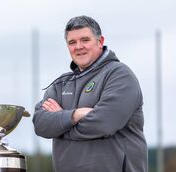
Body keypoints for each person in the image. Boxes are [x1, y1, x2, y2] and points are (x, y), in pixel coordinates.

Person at [32, 15, 147, 172]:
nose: (78, 46)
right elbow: (40, 124)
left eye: (85, 40)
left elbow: (103, 124)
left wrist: (60, 124)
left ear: (100, 41)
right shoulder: (61, 83)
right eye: (72, 42)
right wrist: (74, 116)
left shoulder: (119, 75)